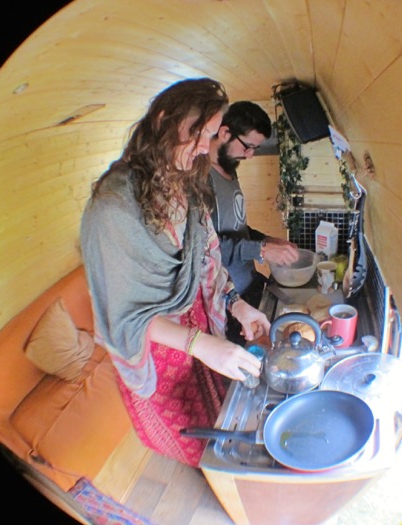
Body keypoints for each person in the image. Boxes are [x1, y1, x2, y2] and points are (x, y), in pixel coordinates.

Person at [80, 78, 271, 468]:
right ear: (165, 119)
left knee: (218, 418)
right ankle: (213, 475)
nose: (204, 146)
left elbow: (206, 258)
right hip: (160, 351)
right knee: (194, 438)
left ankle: (221, 470)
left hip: (201, 330)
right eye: (199, 133)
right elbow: (122, 315)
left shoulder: (187, 182)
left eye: (211, 135)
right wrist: (199, 344)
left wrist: (236, 305)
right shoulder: (113, 206)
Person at [207, 101, 299, 344]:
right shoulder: (202, 179)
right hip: (226, 300)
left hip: (248, 283)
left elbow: (235, 227)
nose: (249, 155)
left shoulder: (229, 170)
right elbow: (207, 248)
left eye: (254, 149)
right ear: (224, 132)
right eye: (247, 146)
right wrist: (262, 250)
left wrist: (266, 240)